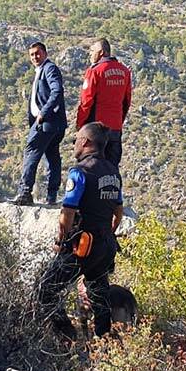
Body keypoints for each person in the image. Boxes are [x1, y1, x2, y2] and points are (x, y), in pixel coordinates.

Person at [37, 122, 124, 339]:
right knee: (99, 292)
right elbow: (118, 212)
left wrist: (62, 239)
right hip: (105, 245)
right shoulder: (114, 172)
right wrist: (107, 231)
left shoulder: (80, 172)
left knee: (45, 289)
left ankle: (67, 335)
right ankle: (103, 339)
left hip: (82, 246)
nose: (74, 144)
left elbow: (68, 212)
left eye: (76, 140)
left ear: (85, 142)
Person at [13, 41, 66, 206]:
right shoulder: (41, 70)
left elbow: (57, 90)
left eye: (38, 53)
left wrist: (44, 113)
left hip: (46, 122)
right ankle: (51, 196)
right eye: (32, 55)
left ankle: (24, 192)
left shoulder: (49, 68)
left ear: (45, 53)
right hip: (54, 124)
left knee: (31, 152)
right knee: (52, 157)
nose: (35, 57)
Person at [75, 38, 132, 168]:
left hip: (96, 130)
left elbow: (86, 102)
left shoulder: (95, 71)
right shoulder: (125, 72)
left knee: (90, 168)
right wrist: (119, 121)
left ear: (101, 52)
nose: (90, 54)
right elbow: (126, 101)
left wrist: (80, 126)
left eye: (92, 51)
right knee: (112, 168)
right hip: (115, 128)